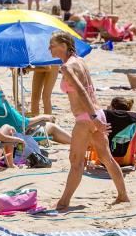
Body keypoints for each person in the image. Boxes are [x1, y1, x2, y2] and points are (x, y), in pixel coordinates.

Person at [49, 31, 129, 209]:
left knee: (76, 161)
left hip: (87, 117)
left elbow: (82, 91)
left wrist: (92, 118)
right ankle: (123, 196)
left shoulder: (67, 67)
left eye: (52, 45)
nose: (49, 49)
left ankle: (63, 203)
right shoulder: (80, 62)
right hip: (97, 112)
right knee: (106, 158)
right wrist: (96, 117)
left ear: (63, 45)